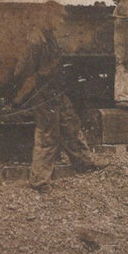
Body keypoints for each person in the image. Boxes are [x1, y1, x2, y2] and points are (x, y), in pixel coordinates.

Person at [13, 11, 101, 191]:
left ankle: (84, 163)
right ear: (48, 17)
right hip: (44, 92)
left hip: (56, 90)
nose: (61, 21)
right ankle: (39, 181)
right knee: (47, 135)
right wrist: (35, 84)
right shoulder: (36, 40)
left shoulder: (48, 36)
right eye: (58, 17)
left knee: (70, 124)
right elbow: (23, 70)